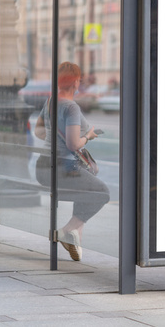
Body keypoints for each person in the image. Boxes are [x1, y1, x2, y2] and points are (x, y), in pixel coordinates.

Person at [34, 62, 110, 261]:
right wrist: (89, 136)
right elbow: (73, 144)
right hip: (62, 168)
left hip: (43, 165)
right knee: (102, 192)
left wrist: (55, 138)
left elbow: (39, 132)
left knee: (87, 186)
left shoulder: (51, 101)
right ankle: (66, 231)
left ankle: (75, 240)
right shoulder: (71, 107)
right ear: (76, 82)